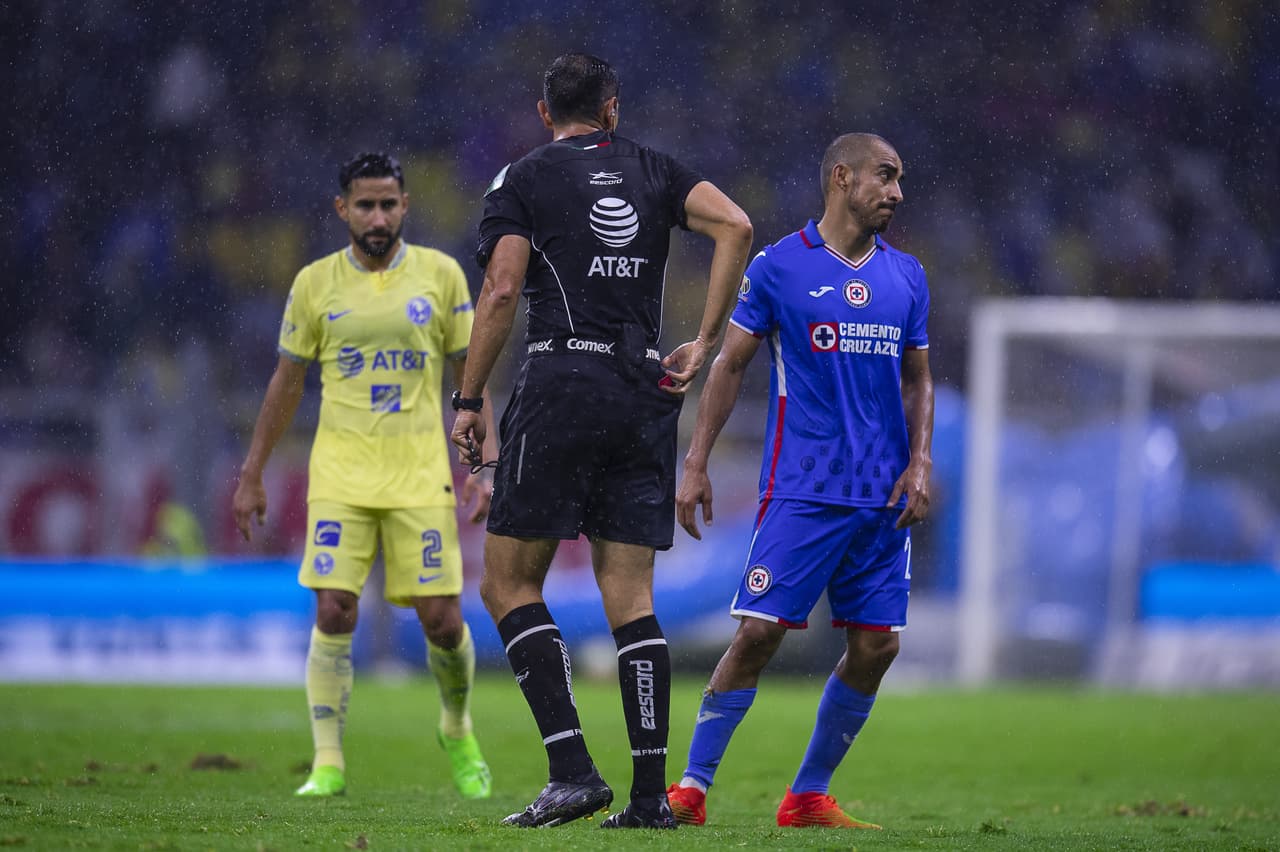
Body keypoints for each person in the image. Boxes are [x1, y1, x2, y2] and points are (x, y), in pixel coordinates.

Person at [449, 53, 753, 829]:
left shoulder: (521, 177)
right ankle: (651, 799)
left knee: (509, 584)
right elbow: (736, 225)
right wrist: (707, 340)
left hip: (560, 386)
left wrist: (469, 394)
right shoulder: (655, 169)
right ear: (612, 110)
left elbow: (504, 288)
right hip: (642, 392)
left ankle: (573, 771)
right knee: (632, 599)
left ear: (545, 113)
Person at [665, 132, 934, 830]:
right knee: (757, 634)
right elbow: (728, 366)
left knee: (878, 645)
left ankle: (807, 796)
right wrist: (694, 463)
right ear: (841, 177)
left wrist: (921, 461)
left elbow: (918, 379)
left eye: (900, 179)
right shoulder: (780, 267)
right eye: (885, 176)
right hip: (803, 490)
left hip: (881, 499)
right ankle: (690, 790)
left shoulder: (907, 275)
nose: (897, 192)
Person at [232, 152, 497, 801]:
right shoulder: (315, 283)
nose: (377, 216)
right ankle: (328, 762)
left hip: (419, 474)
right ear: (342, 209)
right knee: (335, 607)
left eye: (388, 204)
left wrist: (484, 465)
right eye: (365, 204)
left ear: (405, 206)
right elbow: (286, 382)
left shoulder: (440, 276)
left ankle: (457, 727)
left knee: (440, 618)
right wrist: (252, 472)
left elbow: (473, 377)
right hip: (341, 475)